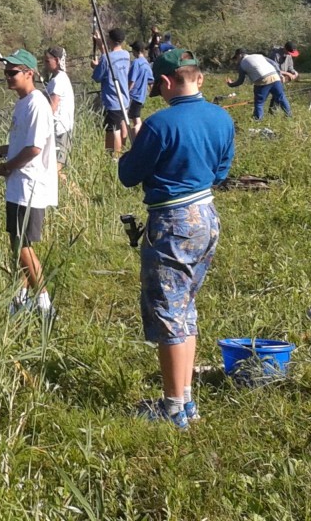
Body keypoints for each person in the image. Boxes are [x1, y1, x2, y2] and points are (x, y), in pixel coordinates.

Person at [118, 48, 234, 429]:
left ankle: (171, 409)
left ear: (166, 82)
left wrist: (136, 140)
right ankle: (185, 401)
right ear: (197, 77)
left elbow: (129, 174)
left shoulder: (158, 124)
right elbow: (220, 171)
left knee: (169, 312)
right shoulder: (222, 117)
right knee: (185, 307)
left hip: (172, 221)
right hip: (207, 217)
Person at [0, 49, 58, 316]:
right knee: (17, 243)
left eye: (13, 72)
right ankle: (22, 298)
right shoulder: (22, 102)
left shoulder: (37, 104)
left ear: (29, 73)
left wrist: (5, 168)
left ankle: (45, 305)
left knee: (22, 245)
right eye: (5, 72)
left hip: (30, 185)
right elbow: (22, 143)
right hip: (18, 186)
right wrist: (3, 149)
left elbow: (34, 149)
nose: (8, 76)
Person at [91, 28, 131, 158]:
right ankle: (122, 153)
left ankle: (114, 158)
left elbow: (97, 77)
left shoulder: (106, 59)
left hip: (112, 100)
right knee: (123, 124)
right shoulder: (126, 55)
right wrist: (101, 46)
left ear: (109, 40)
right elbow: (110, 60)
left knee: (114, 131)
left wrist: (95, 66)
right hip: (124, 98)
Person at [226, 48, 291, 120]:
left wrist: (231, 84)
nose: (237, 60)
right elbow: (274, 64)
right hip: (275, 76)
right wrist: (279, 74)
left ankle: (258, 120)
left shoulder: (242, 64)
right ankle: (289, 116)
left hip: (262, 80)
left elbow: (240, 81)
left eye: (236, 57)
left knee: (259, 103)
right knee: (281, 97)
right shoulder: (259, 56)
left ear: (240, 55)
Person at [43, 46, 74, 176]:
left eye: (47, 61)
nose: (45, 64)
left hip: (60, 130)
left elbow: (53, 106)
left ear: (56, 60)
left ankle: (77, 195)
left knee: (56, 169)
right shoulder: (56, 79)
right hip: (60, 129)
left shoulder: (58, 80)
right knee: (55, 169)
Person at [127, 41, 154, 140]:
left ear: (135, 51)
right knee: (136, 118)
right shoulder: (146, 64)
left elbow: (132, 81)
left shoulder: (136, 63)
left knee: (133, 120)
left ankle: (137, 140)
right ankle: (138, 139)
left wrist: (125, 92)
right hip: (141, 96)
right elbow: (151, 81)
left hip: (133, 95)